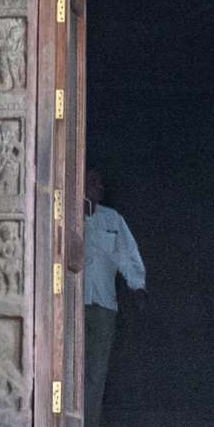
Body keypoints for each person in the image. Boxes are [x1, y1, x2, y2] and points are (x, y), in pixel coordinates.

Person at [79, 165, 147, 409]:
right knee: (69, 368)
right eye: (91, 182)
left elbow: (127, 254)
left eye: (98, 184)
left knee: (96, 371)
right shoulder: (67, 215)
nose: (97, 188)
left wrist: (137, 286)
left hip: (103, 305)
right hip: (71, 304)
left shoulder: (112, 219)